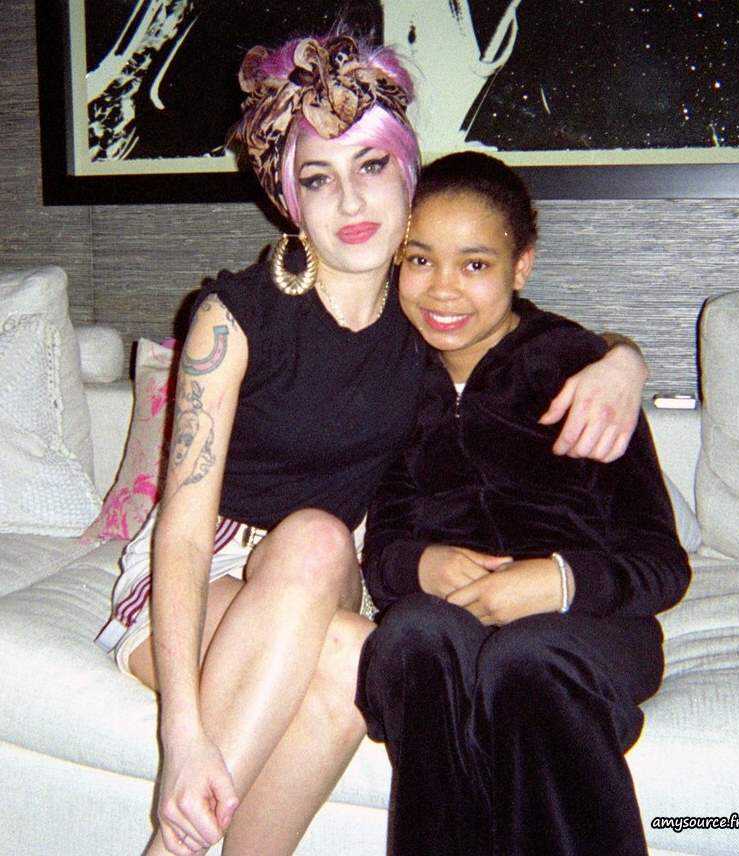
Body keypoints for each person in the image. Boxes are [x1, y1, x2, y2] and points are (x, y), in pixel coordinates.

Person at [95, 33, 649, 856]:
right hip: (201, 574)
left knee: (360, 636)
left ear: (406, 172)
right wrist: (182, 734)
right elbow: (180, 528)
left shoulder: (426, 306)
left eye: (371, 166)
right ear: (291, 197)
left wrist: (624, 359)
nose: (350, 201)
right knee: (329, 573)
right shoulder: (233, 318)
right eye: (319, 177)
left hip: (329, 581)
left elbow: (528, 332)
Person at [357, 151, 692, 856]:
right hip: (448, 622)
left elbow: (661, 564)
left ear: (521, 268)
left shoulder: (578, 373)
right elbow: (381, 551)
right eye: (420, 260)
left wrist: (557, 581)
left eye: (475, 264)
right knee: (411, 636)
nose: (442, 289)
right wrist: (422, 565)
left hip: (586, 627)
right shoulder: (390, 383)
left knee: (526, 658)